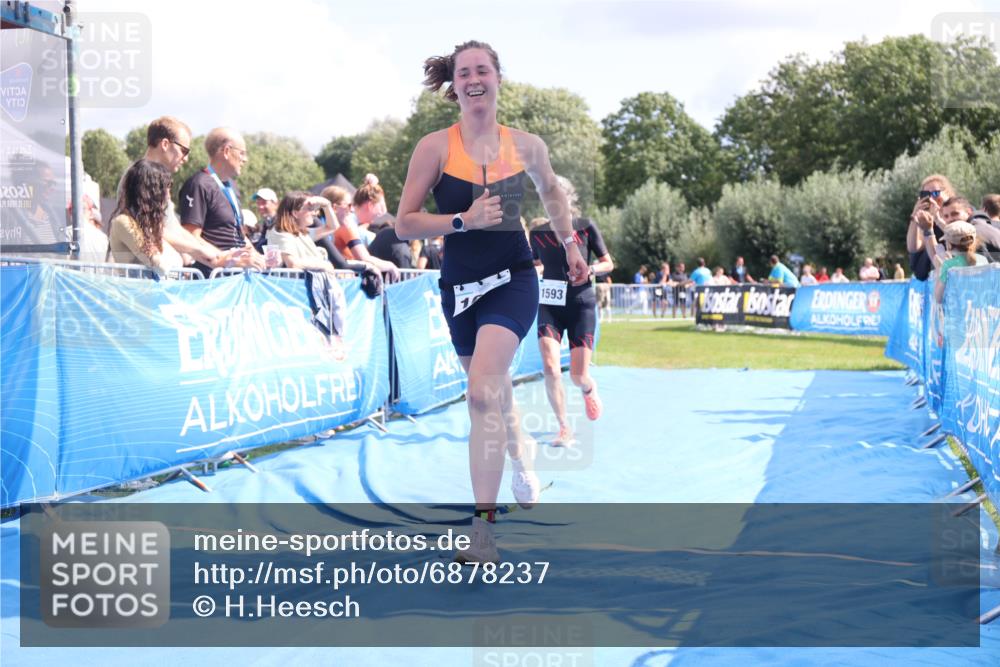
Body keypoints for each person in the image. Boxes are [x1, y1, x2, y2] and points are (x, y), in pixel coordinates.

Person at [395, 40, 587, 564]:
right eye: (464, 72)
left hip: (513, 278)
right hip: (459, 287)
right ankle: (523, 462)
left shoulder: (525, 145)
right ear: (453, 86)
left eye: (483, 69)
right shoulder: (433, 147)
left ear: (498, 79)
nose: (474, 78)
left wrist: (570, 245)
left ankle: (482, 533)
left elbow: (553, 196)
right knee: (494, 397)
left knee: (480, 396)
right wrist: (462, 221)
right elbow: (405, 222)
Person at [530, 176, 613, 448]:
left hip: (580, 304)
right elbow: (536, 264)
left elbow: (608, 263)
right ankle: (564, 427)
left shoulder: (585, 226)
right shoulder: (538, 233)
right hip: (550, 303)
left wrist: (590, 270)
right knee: (551, 366)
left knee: (578, 375)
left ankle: (589, 388)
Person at [125, 116, 228, 268]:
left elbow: (175, 229)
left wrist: (220, 256)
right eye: (184, 151)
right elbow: (152, 231)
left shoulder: (157, 181)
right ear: (165, 144)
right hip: (145, 280)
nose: (185, 159)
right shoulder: (138, 178)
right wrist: (205, 253)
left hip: (158, 276)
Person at [178, 127, 266, 275]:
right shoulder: (199, 184)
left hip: (236, 275)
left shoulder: (233, 186)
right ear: (226, 151)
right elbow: (190, 237)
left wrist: (259, 258)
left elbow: (238, 233)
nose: (245, 159)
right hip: (213, 277)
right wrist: (229, 260)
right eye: (242, 153)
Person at [109, 159, 198, 274]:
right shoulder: (123, 222)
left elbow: (193, 250)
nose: (168, 196)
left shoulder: (153, 227)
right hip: (142, 291)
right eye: (165, 189)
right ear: (151, 193)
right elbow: (160, 266)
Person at [908, 174, 955, 281]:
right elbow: (913, 247)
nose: (932, 198)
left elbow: (959, 235)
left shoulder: (957, 211)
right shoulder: (926, 217)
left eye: (936, 193)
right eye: (927, 194)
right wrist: (914, 215)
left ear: (947, 192)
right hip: (928, 273)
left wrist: (939, 219)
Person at [935, 221, 986, 303]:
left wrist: (939, 268)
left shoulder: (948, 265)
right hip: (980, 311)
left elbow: (938, 298)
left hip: (959, 312)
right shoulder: (983, 260)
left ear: (949, 245)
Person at [250, 187, 278, 251]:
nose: (260, 207)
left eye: (264, 203)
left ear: (275, 203)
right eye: (258, 203)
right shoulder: (267, 223)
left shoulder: (280, 223)